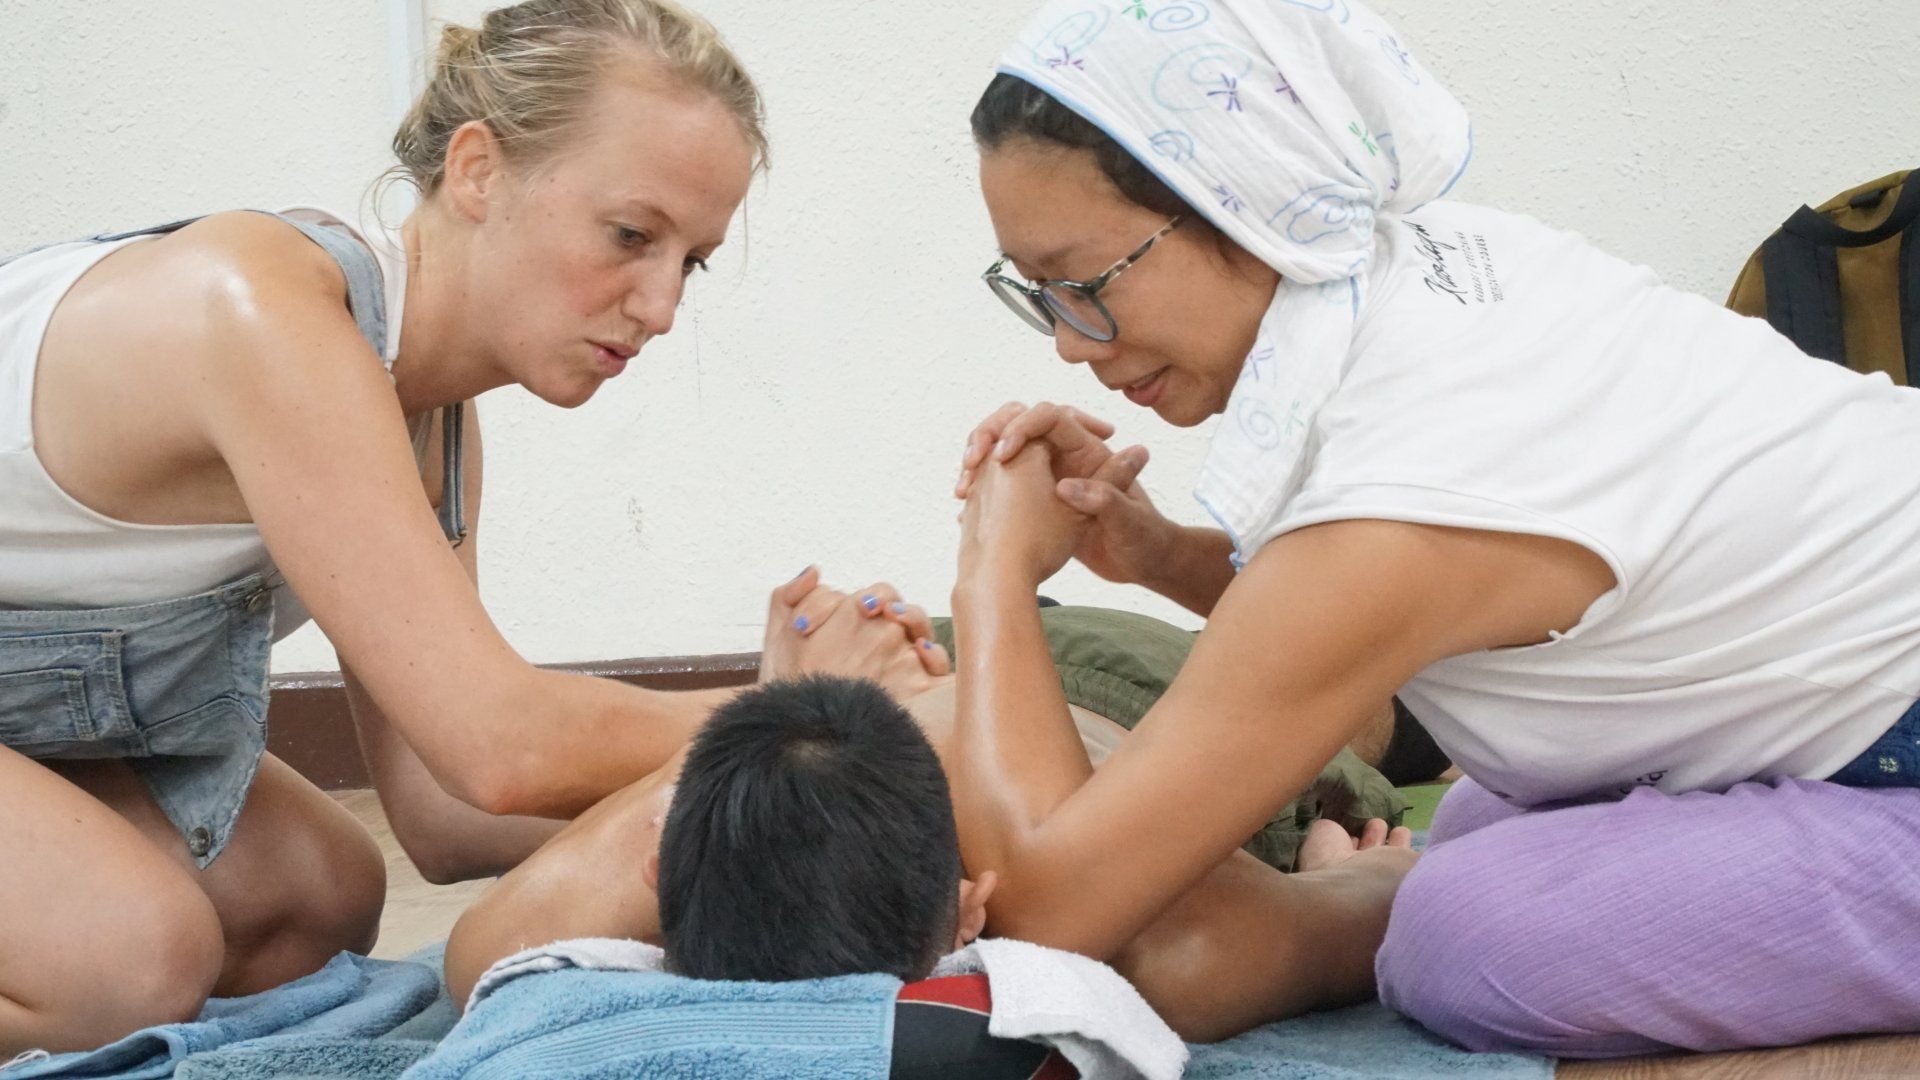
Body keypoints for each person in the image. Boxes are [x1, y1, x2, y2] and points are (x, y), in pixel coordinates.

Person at [943, 0, 1920, 1058]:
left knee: (1466, 936)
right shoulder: (1429, 268)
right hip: (1851, 697)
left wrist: (993, 573)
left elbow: (1051, 915)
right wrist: (1164, 556)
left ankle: (1352, 916)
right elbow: (1384, 611)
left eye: (1082, 284)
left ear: (1242, 198)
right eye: (1036, 294)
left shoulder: (1407, 479)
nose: (1070, 345)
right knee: (1473, 823)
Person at [0, 0, 940, 1055]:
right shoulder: (261, 313)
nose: (662, 306)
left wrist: (816, 782)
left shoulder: (430, 420)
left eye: (692, 260)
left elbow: (446, 812)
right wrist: (808, 713)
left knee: (317, 896)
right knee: (130, 959)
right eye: (632, 236)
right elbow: (498, 743)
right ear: (480, 170)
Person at [444, 598, 1414, 1042]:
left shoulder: (518, 945)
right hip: (1113, 707)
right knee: (1369, 710)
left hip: (986, 688)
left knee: (1361, 695)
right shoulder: (1158, 939)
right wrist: (1337, 880)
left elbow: (1367, 907)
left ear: (658, 870)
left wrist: (786, 709)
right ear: (970, 914)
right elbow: (1382, 903)